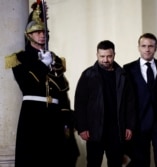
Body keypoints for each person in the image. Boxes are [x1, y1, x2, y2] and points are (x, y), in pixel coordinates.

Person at [5, 2, 79, 167]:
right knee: (33, 157)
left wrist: (67, 117)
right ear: (29, 35)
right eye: (37, 32)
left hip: (55, 115)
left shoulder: (55, 59)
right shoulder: (20, 58)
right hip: (33, 115)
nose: (42, 35)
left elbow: (62, 92)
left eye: (44, 32)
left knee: (56, 158)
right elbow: (27, 85)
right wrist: (43, 65)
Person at [74, 40, 136, 167]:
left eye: (109, 56)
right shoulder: (88, 74)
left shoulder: (123, 75)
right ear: (97, 55)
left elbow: (130, 103)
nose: (105, 60)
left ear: (114, 55)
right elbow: (80, 102)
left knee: (116, 163)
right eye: (102, 56)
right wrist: (82, 127)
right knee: (93, 163)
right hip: (94, 130)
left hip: (117, 130)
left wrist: (130, 126)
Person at [123, 33, 157, 167]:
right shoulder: (128, 69)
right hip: (138, 123)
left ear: (155, 48)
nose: (147, 49)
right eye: (144, 46)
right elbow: (124, 98)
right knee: (140, 162)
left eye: (151, 46)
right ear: (139, 48)